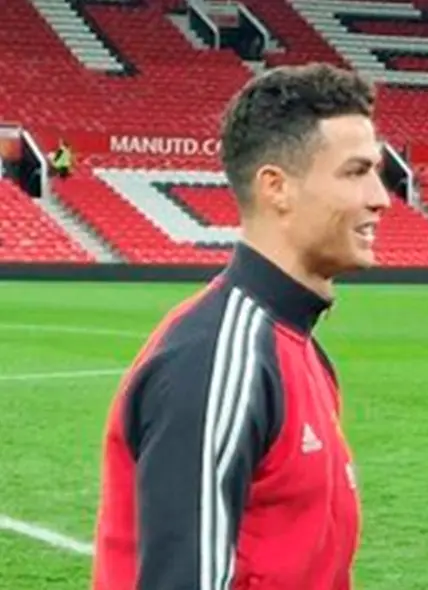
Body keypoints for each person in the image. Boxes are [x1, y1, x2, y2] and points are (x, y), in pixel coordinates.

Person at [91, 63, 391, 589]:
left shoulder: (297, 348)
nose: (380, 197)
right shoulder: (217, 360)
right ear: (276, 187)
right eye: (355, 171)